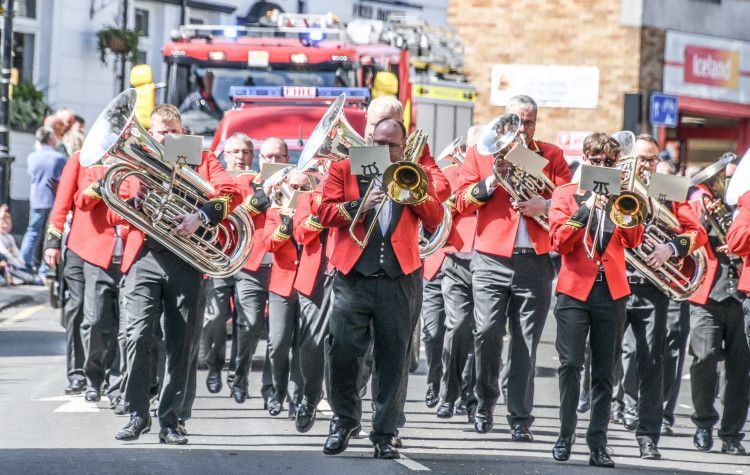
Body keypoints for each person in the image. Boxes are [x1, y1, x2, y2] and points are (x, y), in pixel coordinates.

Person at [114, 104, 241, 445]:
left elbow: (232, 192)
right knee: (137, 336)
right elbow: (113, 205)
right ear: (151, 133)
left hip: (186, 260)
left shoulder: (204, 158)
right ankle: (137, 413)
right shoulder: (137, 161)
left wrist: (201, 216)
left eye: (174, 131)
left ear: (183, 132)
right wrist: (135, 201)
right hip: (145, 256)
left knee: (181, 344)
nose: (169, 137)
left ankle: (171, 420)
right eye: (162, 132)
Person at [319, 118, 442, 459]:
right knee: (342, 351)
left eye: (392, 145)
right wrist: (360, 205)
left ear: (403, 147)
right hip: (353, 275)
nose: (385, 150)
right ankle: (344, 421)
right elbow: (324, 212)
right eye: (379, 142)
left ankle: (385, 433)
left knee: (394, 358)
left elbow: (434, 217)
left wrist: (412, 193)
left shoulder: (415, 172)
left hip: (399, 276)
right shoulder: (344, 168)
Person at [455, 95, 572, 440]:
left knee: (526, 343)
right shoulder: (480, 152)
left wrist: (545, 205)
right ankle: (484, 402)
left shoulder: (551, 155)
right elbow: (461, 201)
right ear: (505, 122)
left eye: (529, 122)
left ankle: (520, 417)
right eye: (517, 122)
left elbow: (570, 199)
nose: (523, 129)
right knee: (487, 332)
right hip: (490, 258)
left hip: (535, 260)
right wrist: (492, 181)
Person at [548, 132, 644, 468]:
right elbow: (558, 242)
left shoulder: (624, 196)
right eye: (597, 160)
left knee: (605, 372)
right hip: (574, 289)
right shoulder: (565, 194)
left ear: (616, 163)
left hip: (611, 291)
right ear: (586, 160)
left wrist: (621, 205)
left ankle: (598, 443)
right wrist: (587, 207)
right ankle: (565, 434)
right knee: (570, 365)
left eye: (609, 161)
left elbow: (634, 239)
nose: (602, 165)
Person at [611, 134, 707, 459]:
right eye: (642, 159)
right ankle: (598, 434)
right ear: (628, 159)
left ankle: (648, 436)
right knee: (605, 358)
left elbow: (697, 233)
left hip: (652, 287)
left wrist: (671, 247)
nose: (648, 166)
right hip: (615, 280)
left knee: (652, 361)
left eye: (653, 159)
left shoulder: (668, 186)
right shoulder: (613, 181)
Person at [687, 164, 749, 456]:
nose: (727, 182)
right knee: (704, 359)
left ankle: (731, 433)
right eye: (725, 178)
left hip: (741, 296)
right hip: (709, 294)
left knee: (741, 370)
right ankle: (703, 422)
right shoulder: (702, 205)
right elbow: (687, 233)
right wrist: (704, 216)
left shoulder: (744, 206)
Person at [227, 136, 289, 406]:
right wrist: (261, 196)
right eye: (268, 157)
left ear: (287, 159)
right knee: (250, 324)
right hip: (251, 267)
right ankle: (239, 376)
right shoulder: (246, 182)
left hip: (281, 267)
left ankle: (270, 389)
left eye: (279, 157)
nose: (273, 161)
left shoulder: (295, 184)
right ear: (259, 160)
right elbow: (235, 214)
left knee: (278, 334)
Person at [73, 157, 128, 405]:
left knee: (125, 329)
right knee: (95, 321)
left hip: (129, 257)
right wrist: (102, 182)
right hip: (98, 257)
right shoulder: (93, 169)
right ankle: (93, 378)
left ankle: (117, 384)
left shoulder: (136, 171)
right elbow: (81, 201)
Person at [436, 125, 482, 420]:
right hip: (457, 259)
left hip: (490, 261)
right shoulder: (452, 174)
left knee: (484, 332)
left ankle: (473, 397)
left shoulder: (501, 175)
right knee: (457, 326)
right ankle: (448, 395)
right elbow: (440, 211)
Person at [43, 152, 87, 394]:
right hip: (79, 246)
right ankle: (77, 373)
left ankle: (109, 375)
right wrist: (52, 242)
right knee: (77, 307)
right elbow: (62, 203)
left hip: (119, 248)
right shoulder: (80, 159)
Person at [20, 126, 67, 276]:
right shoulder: (59, 158)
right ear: (51, 138)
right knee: (49, 235)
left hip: (36, 199)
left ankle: (22, 263)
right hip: (53, 200)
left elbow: (31, 175)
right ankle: (44, 270)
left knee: (32, 232)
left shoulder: (32, 157)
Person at [0, 205, 40, 284]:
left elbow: (16, 251)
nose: (5, 225)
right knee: (10, 267)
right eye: (3, 223)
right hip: (8, 264)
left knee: (28, 272)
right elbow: (4, 252)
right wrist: (16, 262)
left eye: (8, 223)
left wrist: (20, 260)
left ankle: (27, 278)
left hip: (14, 264)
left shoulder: (10, 237)